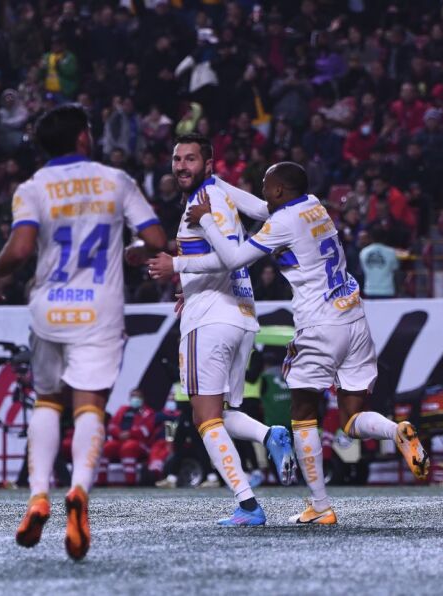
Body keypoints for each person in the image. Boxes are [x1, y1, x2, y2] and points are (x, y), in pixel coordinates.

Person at [150, 162, 429, 524]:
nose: (263, 192)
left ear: (280, 191)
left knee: (303, 416)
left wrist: (204, 219)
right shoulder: (315, 205)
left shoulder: (282, 222)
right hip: (354, 318)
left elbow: (234, 259)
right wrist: (216, 182)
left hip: (319, 325)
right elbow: (258, 209)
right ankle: (396, 431)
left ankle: (321, 507)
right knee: (351, 418)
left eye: (266, 185)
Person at [0, 105, 166, 561]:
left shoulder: (33, 187)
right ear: (84, 137)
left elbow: (22, 247)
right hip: (98, 310)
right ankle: (79, 491)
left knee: (47, 399)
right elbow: (158, 241)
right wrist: (140, 250)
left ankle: (38, 495)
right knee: (89, 405)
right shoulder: (115, 180)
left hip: (49, 308)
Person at [151, 133, 297, 527]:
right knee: (220, 411)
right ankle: (270, 436)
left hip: (212, 320)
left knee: (205, 419)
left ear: (209, 162)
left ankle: (248, 505)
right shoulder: (222, 191)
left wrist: (176, 268)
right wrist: (190, 288)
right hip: (242, 315)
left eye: (191, 159)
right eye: (177, 158)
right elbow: (269, 211)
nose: (182, 166)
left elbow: (228, 257)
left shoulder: (208, 199)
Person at [97, 389, 156, 486]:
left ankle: (130, 482)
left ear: (143, 399)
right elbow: (112, 426)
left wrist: (130, 433)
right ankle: (101, 482)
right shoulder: (122, 410)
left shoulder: (148, 412)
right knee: (106, 447)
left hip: (139, 443)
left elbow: (145, 431)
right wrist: (119, 433)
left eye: (138, 397)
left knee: (129, 447)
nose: (135, 399)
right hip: (119, 439)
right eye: (133, 396)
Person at [359, 227, 400, 299]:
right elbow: (395, 268)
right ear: (385, 238)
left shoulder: (363, 252)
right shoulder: (391, 252)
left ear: (371, 238)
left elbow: (363, 269)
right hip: (387, 290)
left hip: (370, 290)